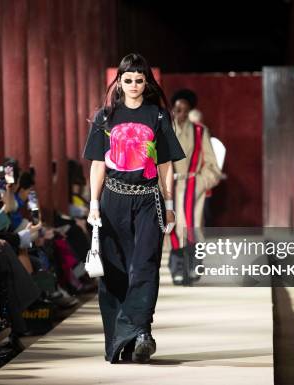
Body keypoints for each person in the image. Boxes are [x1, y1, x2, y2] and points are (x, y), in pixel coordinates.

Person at [83, 53, 185, 363]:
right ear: (119, 83)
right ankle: (119, 340)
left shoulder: (158, 116)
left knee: (145, 263)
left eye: (139, 80)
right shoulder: (104, 117)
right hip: (113, 197)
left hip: (148, 198)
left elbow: (165, 164)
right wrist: (94, 204)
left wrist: (169, 206)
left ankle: (141, 331)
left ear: (147, 83)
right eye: (128, 80)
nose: (134, 85)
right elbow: (98, 165)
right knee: (114, 270)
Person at [168, 89, 223, 285]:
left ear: (190, 110)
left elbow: (212, 164)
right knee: (173, 228)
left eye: (183, 110)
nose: (179, 113)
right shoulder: (165, 130)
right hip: (170, 186)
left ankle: (193, 266)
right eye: (176, 109)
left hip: (193, 185)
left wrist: (202, 182)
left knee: (192, 227)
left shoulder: (200, 131)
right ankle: (177, 268)